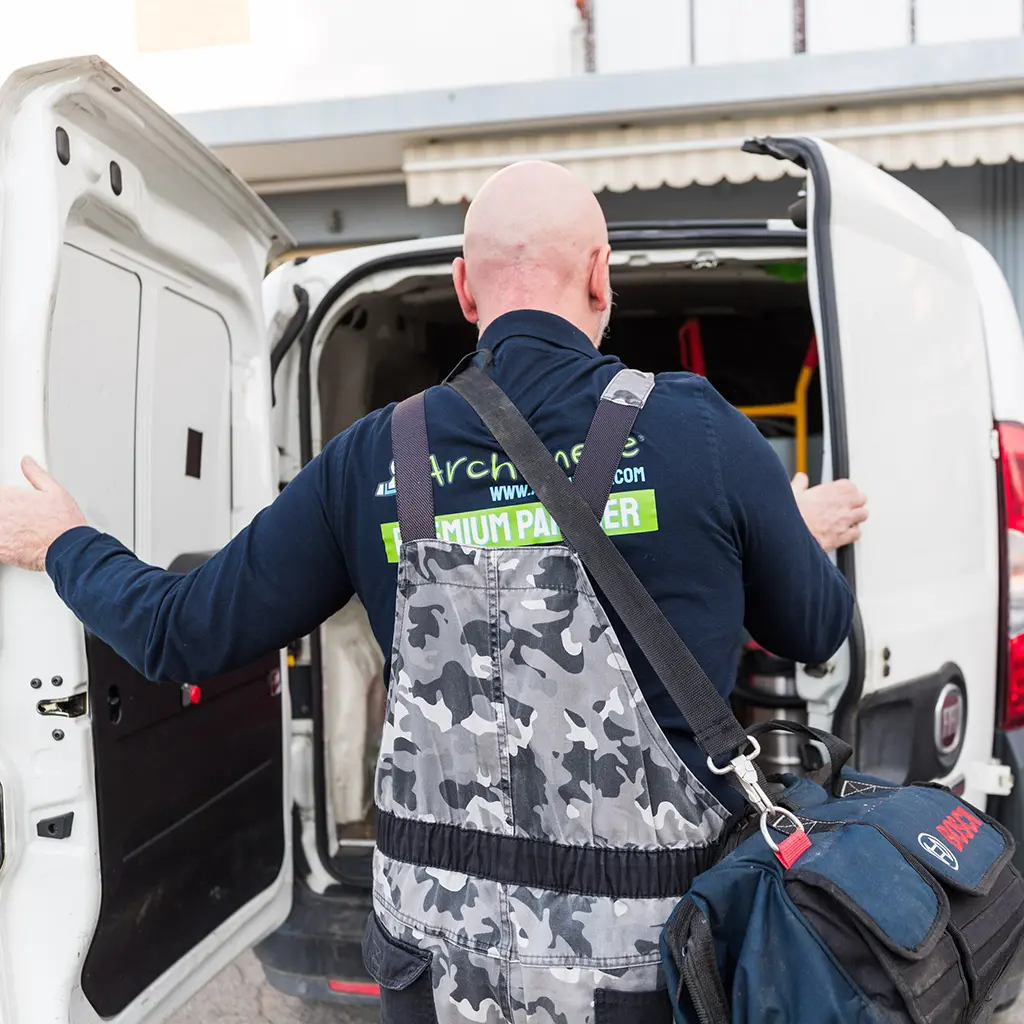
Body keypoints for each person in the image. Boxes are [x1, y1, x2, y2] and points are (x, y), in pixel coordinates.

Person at [0, 161, 862, 1021]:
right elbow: (817, 628)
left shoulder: (373, 458)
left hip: (439, 976)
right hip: (643, 970)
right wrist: (792, 530)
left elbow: (180, 633)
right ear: (601, 274)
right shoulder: (701, 430)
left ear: (464, 288)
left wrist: (63, 542)